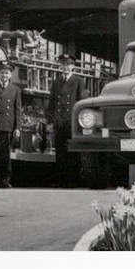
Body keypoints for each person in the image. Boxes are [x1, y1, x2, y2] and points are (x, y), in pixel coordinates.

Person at [46, 54, 87, 187]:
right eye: (63, 64)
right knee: (60, 152)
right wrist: (50, 120)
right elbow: (51, 103)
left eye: (68, 64)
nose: (65, 67)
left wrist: (80, 122)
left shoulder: (79, 81)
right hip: (59, 122)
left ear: (73, 66)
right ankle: (61, 180)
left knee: (72, 152)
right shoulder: (56, 82)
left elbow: (82, 103)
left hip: (72, 122)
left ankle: (73, 180)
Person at [0, 61, 21, 189]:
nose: (4, 75)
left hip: (8, 125)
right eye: (2, 72)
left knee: (5, 155)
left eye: (6, 73)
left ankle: (5, 180)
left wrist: (17, 127)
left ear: (10, 74)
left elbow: (17, 109)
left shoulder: (15, 89)